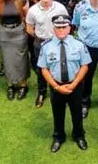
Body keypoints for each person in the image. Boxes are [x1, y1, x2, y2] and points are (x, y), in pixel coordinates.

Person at [37, 13, 91, 153]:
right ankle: (58, 137)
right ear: (54, 29)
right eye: (58, 27)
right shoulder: (46, 46)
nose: (61, 30)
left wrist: (74, 84)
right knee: (58, 113)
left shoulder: (79, 44)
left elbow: (85, 66)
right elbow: (44, 69)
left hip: (75, 85)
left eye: (64, 27)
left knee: (77, 112)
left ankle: (79, 135)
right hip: (56, 85)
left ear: (69, 28)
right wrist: (56, 86)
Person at [26, 0, 69, 108]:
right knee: (41, 69)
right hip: (40, 43)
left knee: (58, 67)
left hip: (57, 42)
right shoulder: (32, 10)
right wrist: (39, 37)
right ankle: (42, 92)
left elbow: (67, 26)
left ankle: (58, 91)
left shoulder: (60, 8)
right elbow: (29, 29)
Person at [0, 0, 30, 100]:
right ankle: (10, 85)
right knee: (7, 59)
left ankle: (23, 85)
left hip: (19, 31)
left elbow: (26, 16)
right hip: (4, 32)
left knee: (21, 59)